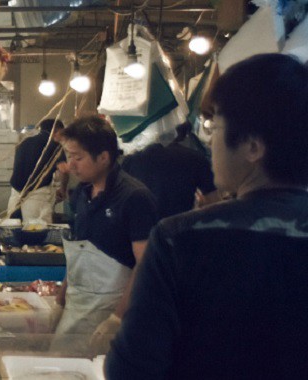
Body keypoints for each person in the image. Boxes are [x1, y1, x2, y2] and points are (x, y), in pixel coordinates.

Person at [107, 54, 308, 379]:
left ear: (253, 146)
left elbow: (131, 370)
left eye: (215, 126)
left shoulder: (180, 239)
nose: (210, 139)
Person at [52, 116, 158, 349]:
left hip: (114, 312)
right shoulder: (80, 194)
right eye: (68, 156)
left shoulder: (134, 197)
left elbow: (145, 265)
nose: (71, 165)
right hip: (77, 306)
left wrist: (117, 318)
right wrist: (60, 300)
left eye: (78, 158)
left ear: (103, 157)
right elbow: (79, 255)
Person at [121, 122, 220, 219]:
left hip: (142, 231)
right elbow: (214, 204)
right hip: (182, 229)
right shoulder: (196, 158)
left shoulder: (131, 161)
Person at [7, 119, 66, 224]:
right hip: (36, 193)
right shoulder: (54, 145)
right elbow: (64, 169)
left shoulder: (25, 142)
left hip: (16, 192)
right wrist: (63, 189)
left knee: (13, 226)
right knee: (37, 230)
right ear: (56, 131)